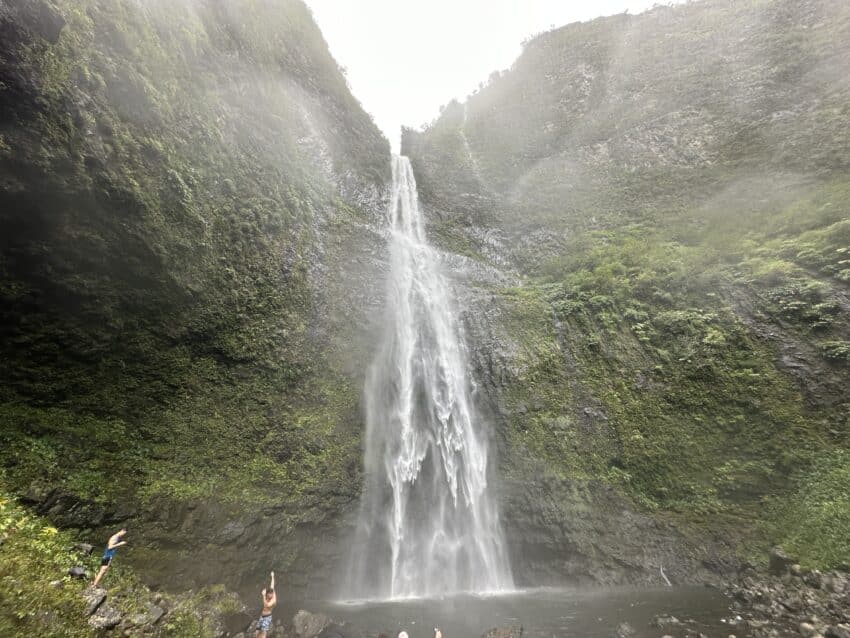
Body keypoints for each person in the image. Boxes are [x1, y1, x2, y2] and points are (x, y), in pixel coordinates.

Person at [255, 571, 276, 638]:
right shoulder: (270, 591)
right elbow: (272, 584)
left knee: (263, 634)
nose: (269, 596)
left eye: (270, 595)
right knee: (257, 632)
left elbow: (266, 605)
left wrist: (263, 596)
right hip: (262, 616)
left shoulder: (273, 600)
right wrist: (272, 576)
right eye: (268, 594)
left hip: (267, 617)